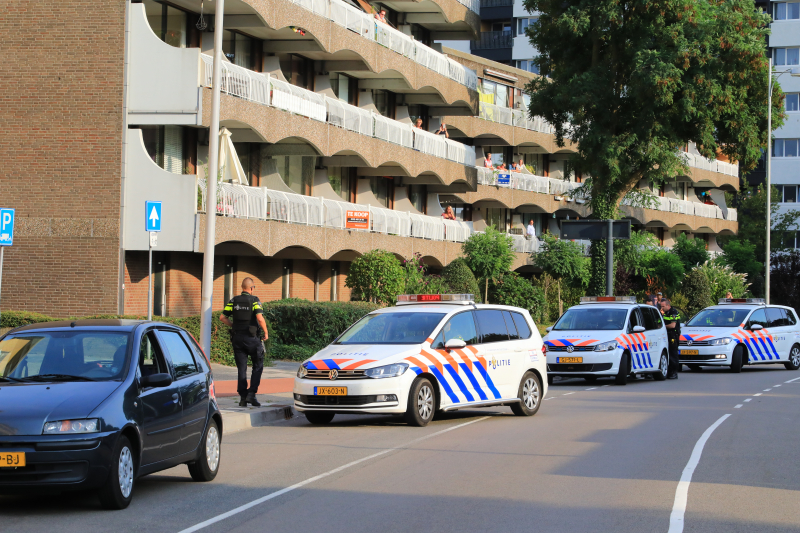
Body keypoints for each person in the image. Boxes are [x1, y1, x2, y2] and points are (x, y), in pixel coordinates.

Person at [220, 278, 269, 407]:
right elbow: (260, 318)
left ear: (242, 287)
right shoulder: (254, 300)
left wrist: (233, 325)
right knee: (257, 365)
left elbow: (222, 317)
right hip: (252, 338)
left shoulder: (233, 300)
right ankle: (251, 394)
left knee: (241, 368)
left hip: (237, 338)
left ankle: (242, 398)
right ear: (252, 288)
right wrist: (266, 332)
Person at [660, 297, 681, 379]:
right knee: (667, 353)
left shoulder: (673, 312)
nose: (661, 308)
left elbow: (673, 325)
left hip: (673, 336)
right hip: (666, 335)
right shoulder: (664, 313)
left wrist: (663, 327)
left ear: (668, 305)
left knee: (673, 354)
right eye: (661, 306)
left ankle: (674, 372)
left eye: (663, 306)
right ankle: (668, 371)